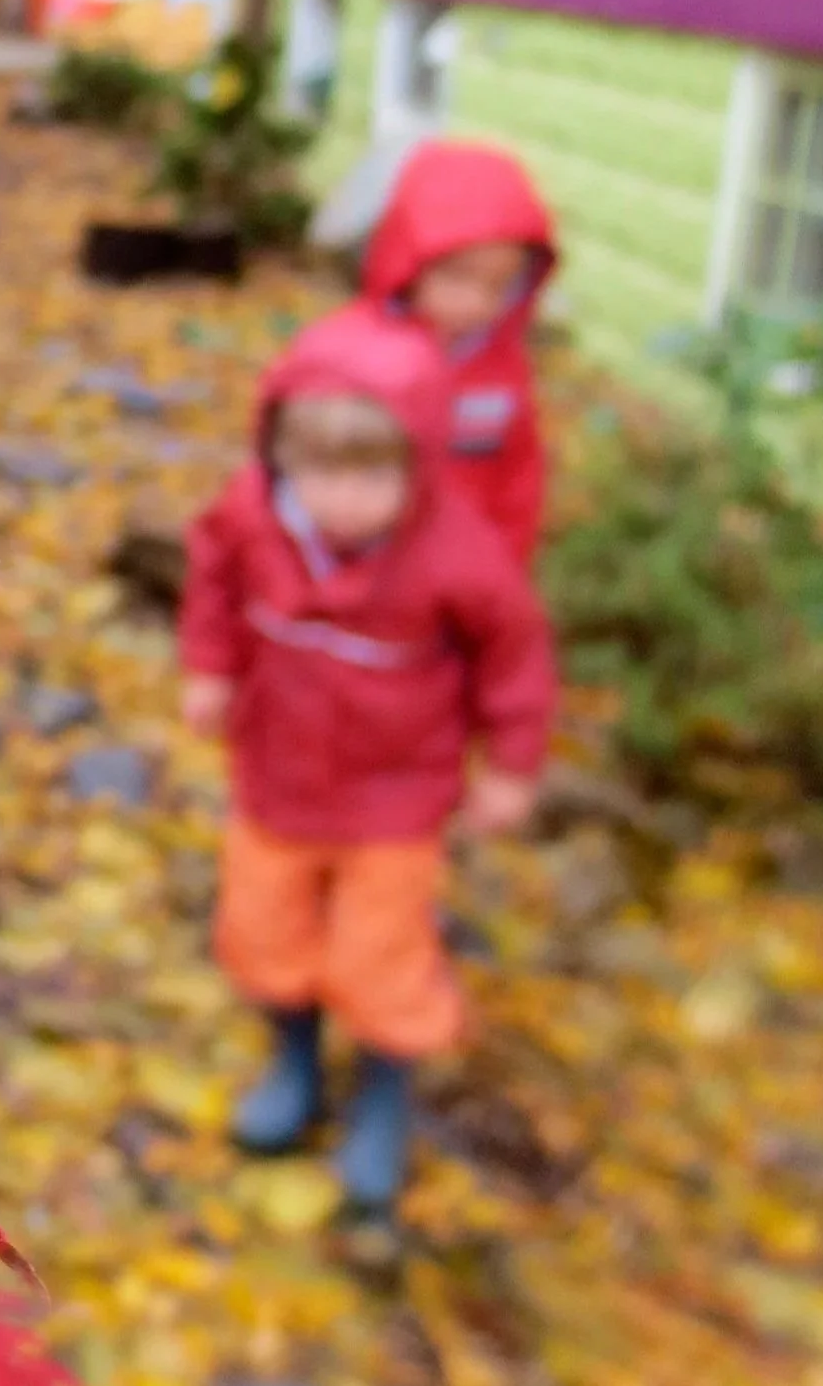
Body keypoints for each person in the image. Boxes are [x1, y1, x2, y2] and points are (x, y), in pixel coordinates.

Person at [178, 309, 555, 1227]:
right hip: (277, 775)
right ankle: (295, 1060)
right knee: (265, 924)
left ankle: (384, 1090)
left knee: (380, 951)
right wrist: (210, 667)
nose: (345, 500)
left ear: (419, 461)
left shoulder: (454, 553)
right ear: (280, 457)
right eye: (322, 473)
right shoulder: (252, 515)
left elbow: (514, 655)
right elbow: (213, 581)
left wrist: (509, 764)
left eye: (373, 475)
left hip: (397, 794)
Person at [358, 140, 559, 568]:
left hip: (461, 577)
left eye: (497, 286)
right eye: (458, 279)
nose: (475, 304)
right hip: (369, 580)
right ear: (409, 262)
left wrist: (500, 573)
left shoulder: (500, 372)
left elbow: (518, 483)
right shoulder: (357, 356)